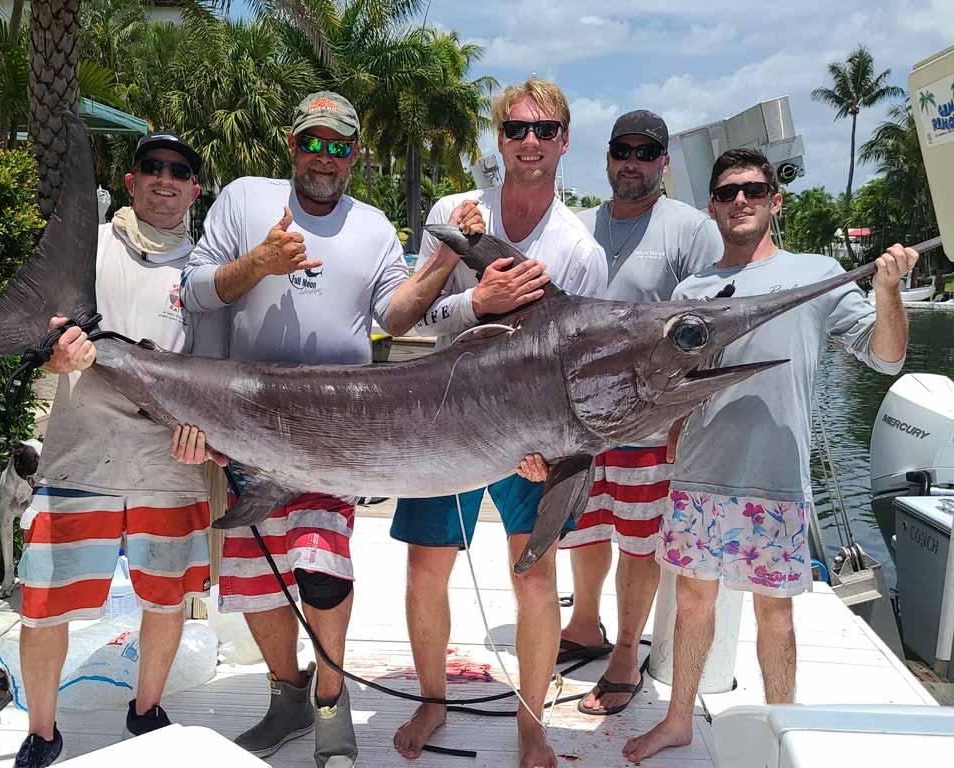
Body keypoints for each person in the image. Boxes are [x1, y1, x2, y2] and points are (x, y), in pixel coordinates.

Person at [177, 91, 481, 768]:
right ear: (292, 145)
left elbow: (396, 318)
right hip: (248, 417)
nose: (323, 157)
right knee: (256, 576)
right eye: (311, 142)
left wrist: (442, 258)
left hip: (337, 430)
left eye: (337, 146)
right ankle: (288, 692)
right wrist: (260, 263)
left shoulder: (372, 227)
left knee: (320, 561)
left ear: (354, 157)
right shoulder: (245, 199)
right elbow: (194, 290)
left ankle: (329, 700)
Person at [622, 148, 917, 762]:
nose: (741, 201)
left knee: (774, 614)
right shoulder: (692, 288)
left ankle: (785, 730)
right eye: (728, 193)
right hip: (698, 475)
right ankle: (678, 718)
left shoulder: (816, 272)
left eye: (753, 190)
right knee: (693, 601)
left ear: (773, 200)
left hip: (776, 483)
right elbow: (674, 386)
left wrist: (888, 291)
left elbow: (885, 357)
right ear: (712, 206)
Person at [388, 79, 607, 768]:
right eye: (516, 130)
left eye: (544, 130)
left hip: (530, 437)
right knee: (427, 570)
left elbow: (586, 368)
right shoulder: (457, 216)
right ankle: (432, 698)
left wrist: (561, 450)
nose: (531, 142)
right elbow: (401, 320)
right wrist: (473, 300)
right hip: (445, 421)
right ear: (499, 140)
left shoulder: (580, 248)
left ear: (565, 140)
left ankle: (533, 722)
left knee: (533, 577)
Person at [14, 132, 220, 768]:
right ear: (131, 182)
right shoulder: (87, 250)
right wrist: (53, 355)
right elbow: (31, 335)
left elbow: (217, 374)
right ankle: (42, 733)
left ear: (193, 189)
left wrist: (209, 441)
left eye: (179, 171)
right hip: (81, 458)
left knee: (167, 598)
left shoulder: (209, 272)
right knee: (44, 604)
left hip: (170, 464)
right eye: (152, 168)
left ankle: (146, 709)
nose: (165, 179)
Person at [551, 110, 722, 717]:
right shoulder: (580, 224)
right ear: (607, 156)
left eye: (646, 153)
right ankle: (586, 626)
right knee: (588, 526)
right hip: (579, 419)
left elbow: (710, 327)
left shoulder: (692, 230)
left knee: (639, 538)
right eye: (623, 150)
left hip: (651, 419)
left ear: (664, 162)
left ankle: (626, 651)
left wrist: (684, 412)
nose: (633, 162)